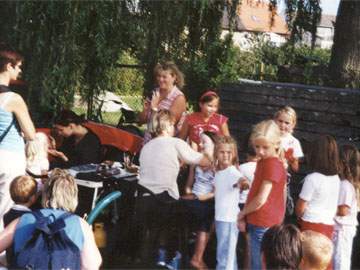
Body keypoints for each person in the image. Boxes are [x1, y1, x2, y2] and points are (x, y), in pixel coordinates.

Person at [137, 110, 211, 267]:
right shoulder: (176, 143)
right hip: (164, 201)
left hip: (143, 200)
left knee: (158, 223)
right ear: (168, 125)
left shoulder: (146, 146)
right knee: (198, 213)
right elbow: (204, 162)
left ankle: (159, 256)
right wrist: (208, 147)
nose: (176, 128)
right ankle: (176, 256)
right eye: (174, 125)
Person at [0, 168, 102, 269]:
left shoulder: (24, 219)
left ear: (45, 194)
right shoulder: (80, 225)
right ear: (73, 196)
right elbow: (91, 266)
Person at [237, 119, 287, 270]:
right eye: (257, 146)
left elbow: (260, 199)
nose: (260, 151)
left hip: (263, 221)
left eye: (265, 147)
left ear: (276, 144)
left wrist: (242, 213)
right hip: (263, 219)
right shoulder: (264, 162)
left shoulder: (272, 165)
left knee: (259, 264)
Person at [0, 47, 36, 229]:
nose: (20, 70)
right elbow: (30, 133)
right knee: (5, 209)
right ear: (8, 66)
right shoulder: (13, 98)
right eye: (18, 66)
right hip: (9, 157)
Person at [181, 132, 216, 269]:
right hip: (194, 197)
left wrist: (199, 198)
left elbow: (215, 192)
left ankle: (197, 257)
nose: (200, 144)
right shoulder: (195, 163)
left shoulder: (217, 165)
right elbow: (189, 185)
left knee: (207, 213)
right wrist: (190, 195)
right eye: (200, 142)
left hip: (207, 198)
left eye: (204, 142)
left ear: (214, 145)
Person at [295, 135, 341, 240]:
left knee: (306, 255)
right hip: (329, 224)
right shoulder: (337, 179)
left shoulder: (312, 178)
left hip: (310, 223)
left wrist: (299, 217)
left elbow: (300, 207)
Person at [214, 136, 248, 270]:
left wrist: (243, 183)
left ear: (233, 154)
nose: (226, 155)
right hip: (220, 218)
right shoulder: (218, 172)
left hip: (229, 219)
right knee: (225, 255)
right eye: (222, 152)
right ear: (216, 153)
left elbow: (241, 180)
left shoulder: (232, 171)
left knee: (226, 258)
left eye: (229, 152)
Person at [138, 61, 186, 143]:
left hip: (165, 145)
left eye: (164, 77)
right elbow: (141, 121)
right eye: (159, 76)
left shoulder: (178, 98)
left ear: (174, 78)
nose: (160, 79)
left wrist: (154, 108)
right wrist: (146, 110)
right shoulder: (154, 93)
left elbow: (165, 127)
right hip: (148, 142)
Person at [333, 144, 359, 270]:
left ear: (342, 163)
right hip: (345, 228)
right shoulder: (353, 184)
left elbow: (343, 210)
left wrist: (327, 208)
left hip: (342, 229)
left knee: (340, 261)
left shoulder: (345, 185)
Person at [3, 175, 38, 265]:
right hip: (22, 261)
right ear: (32, 197)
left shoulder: (8, 214)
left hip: (9, 257)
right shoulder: (30, 218)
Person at [274, 106, 303, 172]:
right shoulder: (269, 136)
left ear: (293, 124)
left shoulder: (294, 142)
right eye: (280, 121)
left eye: (287, 123)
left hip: (282, 175)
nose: (282, 125)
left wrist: (292, 161)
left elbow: (295, 168)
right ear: (275, 120)